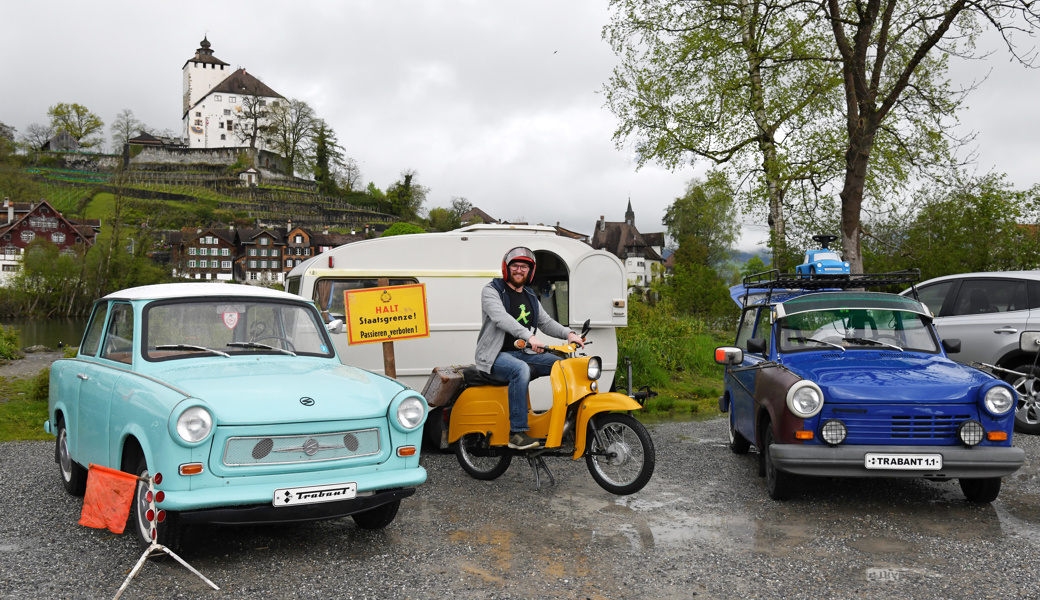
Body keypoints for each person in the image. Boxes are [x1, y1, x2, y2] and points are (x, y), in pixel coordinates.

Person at [475, 246, 584, 450]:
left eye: (524, 267)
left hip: (522, 353)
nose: (519, 270)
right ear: (506, 268)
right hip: (495, 356)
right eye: (515, 266)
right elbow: (501, 318)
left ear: (530, 271)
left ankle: (568, 420)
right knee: (520, 370)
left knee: (563, 365)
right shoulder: (492, 291)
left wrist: (569, 334)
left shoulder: (530, 295)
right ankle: (516, 433)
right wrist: (530, 336)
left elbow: (546, 322)